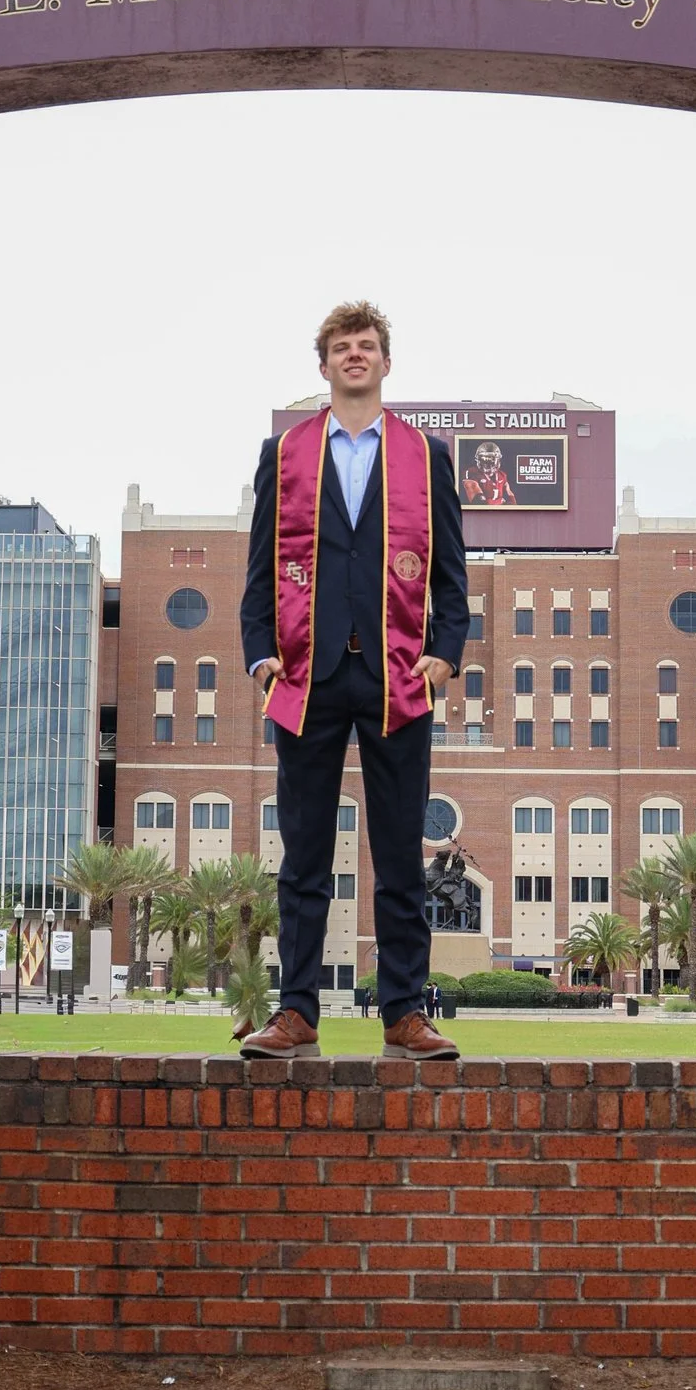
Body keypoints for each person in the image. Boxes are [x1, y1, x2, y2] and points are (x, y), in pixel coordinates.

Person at [238, 299, 468, 1058]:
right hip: (307, 676)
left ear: (386, 361)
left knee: (399, 852)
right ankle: (295, 1010)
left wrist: (447, 648)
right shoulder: (286, 453)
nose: (355, 355)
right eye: (342, 346)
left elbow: (452, 574)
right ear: (325, 364)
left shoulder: (425, 454)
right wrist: (259, 650)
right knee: (304, 854)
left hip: (398, 676)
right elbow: (261, 566)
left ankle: (404, 1009)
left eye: (367, 345)